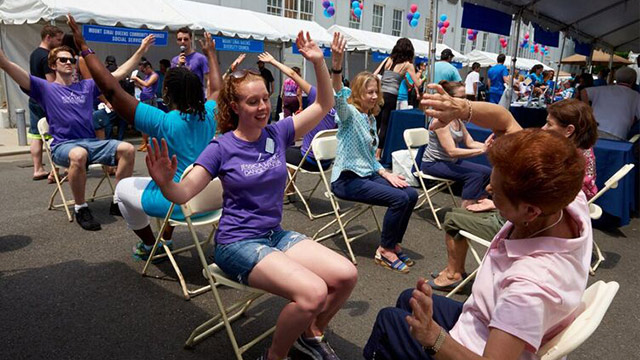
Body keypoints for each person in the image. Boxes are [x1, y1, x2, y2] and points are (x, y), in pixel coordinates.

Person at [145, 31, 357, 360]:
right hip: (236, 244)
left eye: (264, 99)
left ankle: (310, 333)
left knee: (346, 275)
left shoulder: (278, 132)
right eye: (251, 101)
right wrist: (164, 182)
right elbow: (183, 192)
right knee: (312, 292)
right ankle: (274, 355)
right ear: (235, 106)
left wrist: (318, 62)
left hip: (274, 235)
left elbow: (325, 104)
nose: (261, 107)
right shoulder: (221, 147)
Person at [364, 128, 592, 360]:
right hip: (485, 321)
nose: (488, 189)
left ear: (530, 211)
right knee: (408, 299)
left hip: (479, 348)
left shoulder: (529, 290)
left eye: (497, 194)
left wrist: (434, 337)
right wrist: (465, 109)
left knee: (389, 320)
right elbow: (510, 126)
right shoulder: (566, 197)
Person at [68, 17, 223, 260]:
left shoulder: (162, 122)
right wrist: (211, 54)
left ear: (166, 92)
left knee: (121, 190)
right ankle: (166, 238)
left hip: (179, 203)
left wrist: (83, 47)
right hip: (211, 203)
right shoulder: (210, 114)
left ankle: (153, 245)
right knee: (179, 173)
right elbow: (217, 90)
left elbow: (112, 91)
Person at [428, 97, 598, 291]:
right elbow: (506, 123)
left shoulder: (556, 164)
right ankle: (454, 270)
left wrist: (498, 203)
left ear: (569, 130)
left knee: (452, 217)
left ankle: (453, 273)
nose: (543, 129)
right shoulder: (580, 157)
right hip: (533, 225)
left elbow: (506, 122)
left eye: (549, 124)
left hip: (524, 229)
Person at [0, 28, 157, 230]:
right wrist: (4, 62)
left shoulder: (87, 86)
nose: (69, 63)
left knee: (126, 149)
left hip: (91, 143)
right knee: (79, 154)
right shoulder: (45, 88)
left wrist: (141, 50)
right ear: (52, 65)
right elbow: (15, 72)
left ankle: (119, 199)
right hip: (64, 146)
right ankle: (81, 207)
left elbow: (120, 73)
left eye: (72, 60)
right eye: (63, 60)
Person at [332, 59, 419, 274]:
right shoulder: (350, 114)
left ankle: (393, 242)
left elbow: (371, 158)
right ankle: (385, 249)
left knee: (411, 194)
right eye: (368, 92)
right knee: (398, 199)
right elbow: (338, 98)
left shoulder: (370, 119)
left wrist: (386, 174)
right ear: (357, 93)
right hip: (346, 179)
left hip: (367, 174)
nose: (373, 96)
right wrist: (336, 68)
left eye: (375, 92)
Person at [257, 51, 336, 174]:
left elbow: (292, 74)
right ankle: (290, 188)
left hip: (310, 159)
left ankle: (280, 188)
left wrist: (272, 61)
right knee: (293, 149)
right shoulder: (341, 105)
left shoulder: (315, 94)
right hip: (326, 161)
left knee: (277, 149)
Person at [420, 81, 492, 209]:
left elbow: (470, 142)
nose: (464, 101)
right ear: (448, 98)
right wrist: (482, 150)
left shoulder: (457, 118)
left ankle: (480, 203)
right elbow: (452, 151)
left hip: (450, 162)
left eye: (465, 97)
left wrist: (489, 147)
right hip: (434, 163)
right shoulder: (440, 121)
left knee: (488, 172)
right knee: (474, 175)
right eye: (461, 98)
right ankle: (466, 210)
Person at [373, 38, 424, 159]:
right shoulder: (408, 65)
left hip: (380, 94)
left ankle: (371, 149)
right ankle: (378, 153)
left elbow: (374, 74)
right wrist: (422, 76)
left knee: (375, 123)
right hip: (391, 96)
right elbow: (417, 84)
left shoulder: (388, 59)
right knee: (385, 124)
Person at [28, 24, 63, 181]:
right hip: (46, 100)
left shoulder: (34, 53)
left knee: (36, 133)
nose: (59, 43)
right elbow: (51, 82)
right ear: (48, 37)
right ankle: (54, 170)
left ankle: (38, 168)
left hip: (34, 98)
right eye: (58, 40)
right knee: (52, 134)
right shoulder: (46, 56)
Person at [581, 66, 640, 141]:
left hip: (594, 127)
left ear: (616, 78)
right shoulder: (636, 96)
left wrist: (588, 112)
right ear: (633, 81)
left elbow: (584, 92)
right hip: (618, 132)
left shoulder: (604, 89)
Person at [132, 57, 160, 152]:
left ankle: (152, 143)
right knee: (143, 122)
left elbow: (147, 84)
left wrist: (136, 78)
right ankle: (145, 142)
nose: (143, 72)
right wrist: (137, 84)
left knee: (150, 122)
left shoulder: (154, 75)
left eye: (143, 70)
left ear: (148, 67)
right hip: (144, 99)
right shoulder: (146, 76)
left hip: (150, 100)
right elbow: (144, 87)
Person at [171, 27, 209, 93]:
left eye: (185, 39)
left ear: (191, 40)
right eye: (180, 39)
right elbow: (171, 80)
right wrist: (178, 65)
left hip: (196, 98)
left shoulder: (200, 58)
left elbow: (208, 80)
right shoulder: (175, 60)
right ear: (177, 41)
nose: (182, 42)